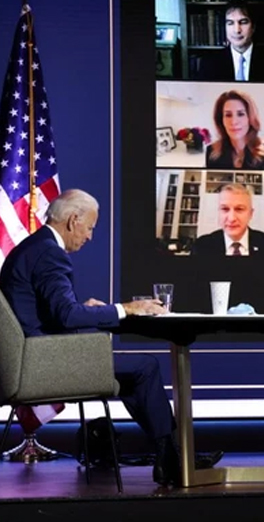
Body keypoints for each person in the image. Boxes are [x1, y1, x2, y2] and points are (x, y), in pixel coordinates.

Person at [0, 189, 222, 485]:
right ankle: (175, 457)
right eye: (89, 227)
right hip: (39, 365)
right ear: (73, 220)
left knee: (132, 376)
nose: (90, 236)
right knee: (144, 368)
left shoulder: (34, 247)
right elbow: (67, 317)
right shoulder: (50, 253)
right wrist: (126, 308)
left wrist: (88, 309)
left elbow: (50, 313)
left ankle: (172, 456)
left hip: (29, 360)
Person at [198, 0, 264, 83]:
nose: (237, 30)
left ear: (253, 27)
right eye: (230, 23)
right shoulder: (209, 63)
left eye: (243, 22)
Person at [191, 183, 264, 257]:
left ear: (250, 214)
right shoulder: (201, 246)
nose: (231, 218)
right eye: (225, 209)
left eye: (239, 209)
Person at [206, 90, 264, 170]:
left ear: (250, 118)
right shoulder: (211, 152)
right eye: (228, 115)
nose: (234, 122)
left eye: (241, 114)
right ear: (221, 120)